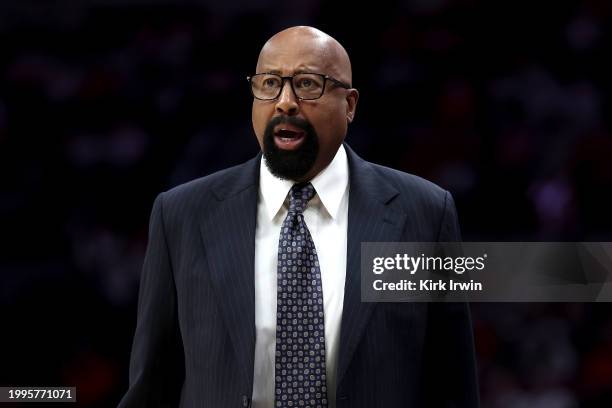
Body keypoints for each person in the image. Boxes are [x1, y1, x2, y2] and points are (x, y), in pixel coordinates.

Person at [118, 26, 478, 408]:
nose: (285, 102)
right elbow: (151, 386)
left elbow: (452, 385)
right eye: (269, 83)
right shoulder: (181, 215)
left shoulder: (424, 211)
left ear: (350, 104)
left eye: (308, 84)